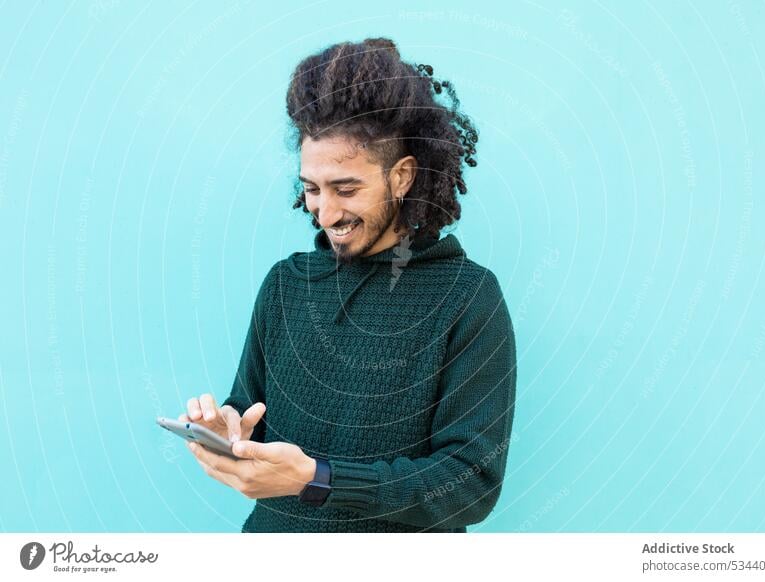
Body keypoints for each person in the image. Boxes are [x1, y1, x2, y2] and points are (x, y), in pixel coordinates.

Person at [179, 37, 517, 533]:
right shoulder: (285, 286)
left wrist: (318, 479)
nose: (326, 212)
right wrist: (227, 429)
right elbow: (251, 411)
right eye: (312, 189)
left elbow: (470, 486)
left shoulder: (467, 299)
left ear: (401, 177)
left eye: (346, 188)